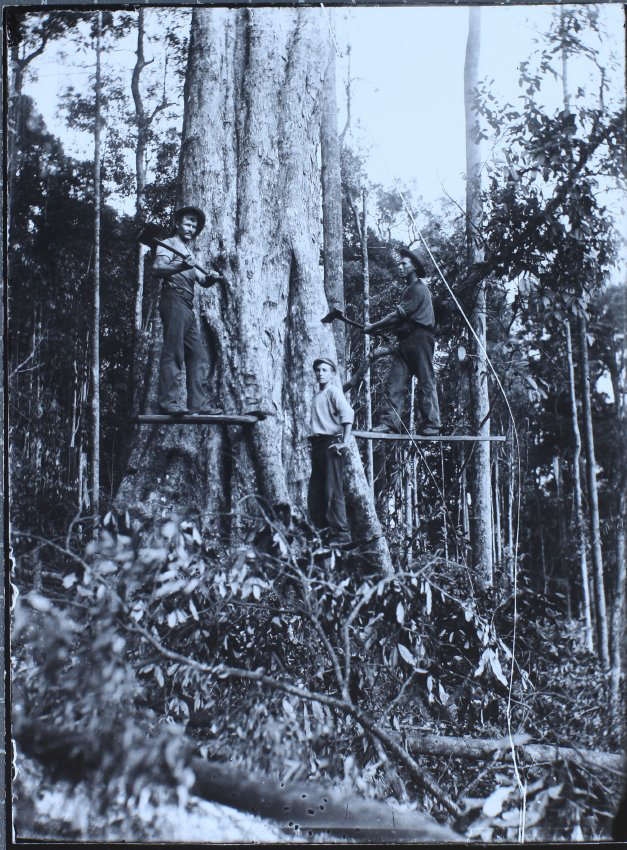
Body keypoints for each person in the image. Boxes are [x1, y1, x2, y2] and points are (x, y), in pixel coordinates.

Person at [151, 205, 224, 416]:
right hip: (173, 299)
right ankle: (168, 402)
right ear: (177, 224)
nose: (191, 229)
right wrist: (181, 266)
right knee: (174, 351)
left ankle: (197, 405)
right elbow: (157, 269)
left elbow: (202, 281)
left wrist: (210, 278)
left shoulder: (189, 252)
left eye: (194, 226)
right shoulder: (168, 244)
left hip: (187, 306)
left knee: (198, 356)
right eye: (188, 224)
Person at [364, 247, 441, 436]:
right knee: (395, 382)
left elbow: (395, 317)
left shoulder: (419, 289)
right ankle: (390, 423)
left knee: (425, 380)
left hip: (421, 339)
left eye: (403, 264)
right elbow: (399, 321)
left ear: (414, 267)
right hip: (405, 341)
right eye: (399, 264)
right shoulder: (408, 290)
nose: (400, 267)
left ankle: (432, 424)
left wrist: (373, 326)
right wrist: (381, 329)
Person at [308, 358, 354, 545]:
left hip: (331, 444)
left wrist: (344, 442)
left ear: (333, 374)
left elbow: (348, 413)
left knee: (333, 489)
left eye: (325, 370)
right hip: (318, 445)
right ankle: (323, 533)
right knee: (316, 492)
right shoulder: (318, 396)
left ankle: (341, 533)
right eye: (318, 370)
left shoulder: (333, 391)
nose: (320, 373)